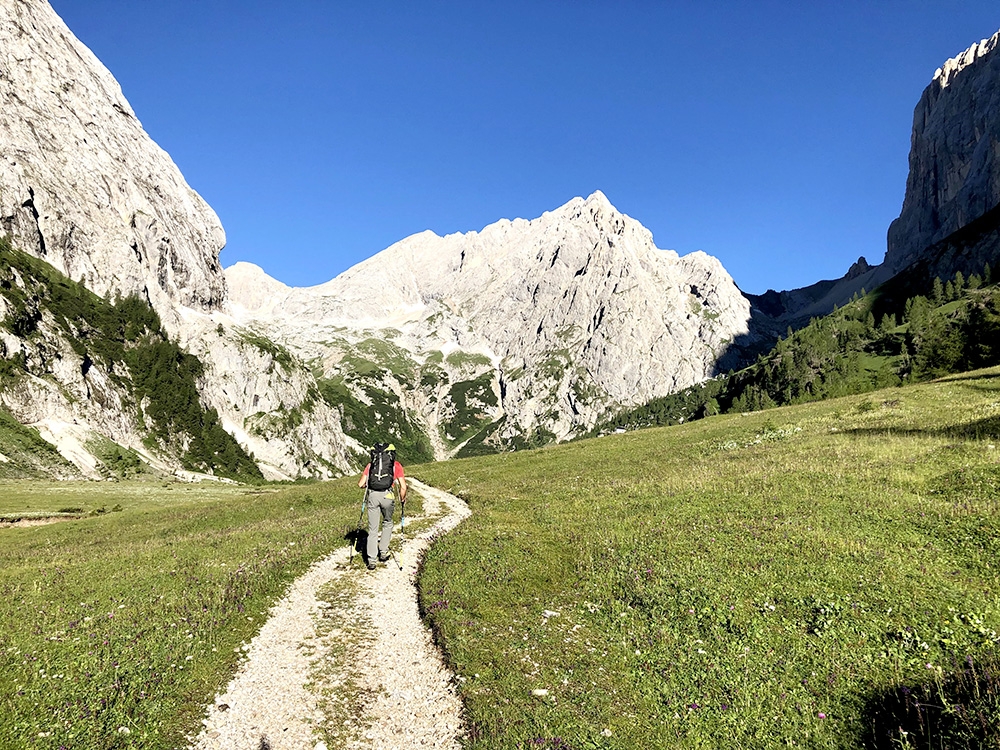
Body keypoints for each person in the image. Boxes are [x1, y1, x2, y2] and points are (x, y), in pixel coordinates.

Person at [357, 442, 407, 570]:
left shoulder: (371, 465)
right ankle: (383, 553)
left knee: (373, 530)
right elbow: (403, 487)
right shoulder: (396, 466)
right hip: (388, 496)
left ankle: (371, 560)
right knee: (388, 523)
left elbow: (361, 484)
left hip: (373, 496)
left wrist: (368, 484)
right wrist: (402, 499)